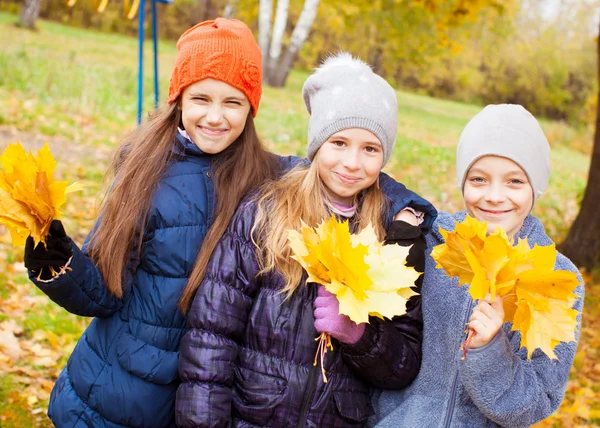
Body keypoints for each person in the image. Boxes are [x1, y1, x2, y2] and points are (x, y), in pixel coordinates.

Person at [22, 22, 435, 428]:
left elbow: (338, 175)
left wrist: (408, 212)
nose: (215, 117)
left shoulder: (265, 175)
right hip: (122, 389)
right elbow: (104, 293)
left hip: (206, 384)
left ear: (251, 109)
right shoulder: (143, 173)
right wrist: (60, 267)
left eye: (233, 102)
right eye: (201, 98)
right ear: (178, 99)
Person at [175, 52, 430, 428]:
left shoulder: (395, 237)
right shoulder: (267, 211)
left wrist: (358, 334)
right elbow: (212, 333)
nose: (352, 163)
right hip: (251, 415)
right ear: (317, 144)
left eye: (370, 149)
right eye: (339, 143)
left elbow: (403, 367)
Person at [372, 104, 585, 428]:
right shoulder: (430, 241)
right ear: (463, 181)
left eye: (514, 181)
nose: (495, 196)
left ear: (536, 187)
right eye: (479, 179)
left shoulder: (558, 280)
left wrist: (489, 351)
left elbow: (538, 400)